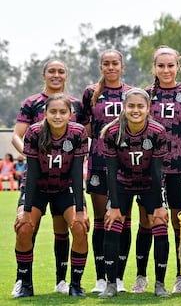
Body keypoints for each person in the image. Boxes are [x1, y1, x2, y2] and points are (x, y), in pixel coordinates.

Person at [11, 59, 84, 296]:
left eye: (60, 71)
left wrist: (82, 209)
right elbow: (20, 144)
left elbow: (77, 167)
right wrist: (39, 153)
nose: (56, 74)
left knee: (76, 227)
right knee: (24, 226)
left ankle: (70, 283)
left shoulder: (77, 121)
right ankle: (24, 283)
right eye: (51, 71)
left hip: (65, 185)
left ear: (70, 114)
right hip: (38, 182)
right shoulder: (33, 121)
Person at [132, 45, 181, 294]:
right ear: (154, 68)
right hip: (150, 169)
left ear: (177, 67)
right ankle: (141, 276)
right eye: (161, 65)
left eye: (170, 65)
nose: (166, 70)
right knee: (147, 222)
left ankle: (180, 276)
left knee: (178, 223)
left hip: (180, 168)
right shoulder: (145, 95)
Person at [98, 88, 170, 298]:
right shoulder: (112, 132)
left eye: (140, 106)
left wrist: (158, 205)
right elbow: (111, 171)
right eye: (131, 106)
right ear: (124, 107)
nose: (135, 110)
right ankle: (111, 283)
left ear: (148, 108)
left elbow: (157, 172)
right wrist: (114, 205)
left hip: (149, 184)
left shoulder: (157, 131)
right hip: (122, 183)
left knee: (159, 223)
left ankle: (159, 284)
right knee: (112, 223)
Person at [80, 49, 134, 293]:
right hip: (99, 164)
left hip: (126, 166)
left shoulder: (131, 93)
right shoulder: (91, 93)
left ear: (122, 66)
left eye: (115, 63)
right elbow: (85, 127)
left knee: (122, 220)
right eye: (106, 64)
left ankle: (119, 278)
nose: (111, 67)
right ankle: (101, 278)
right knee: (102, 220)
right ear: (100, 67)